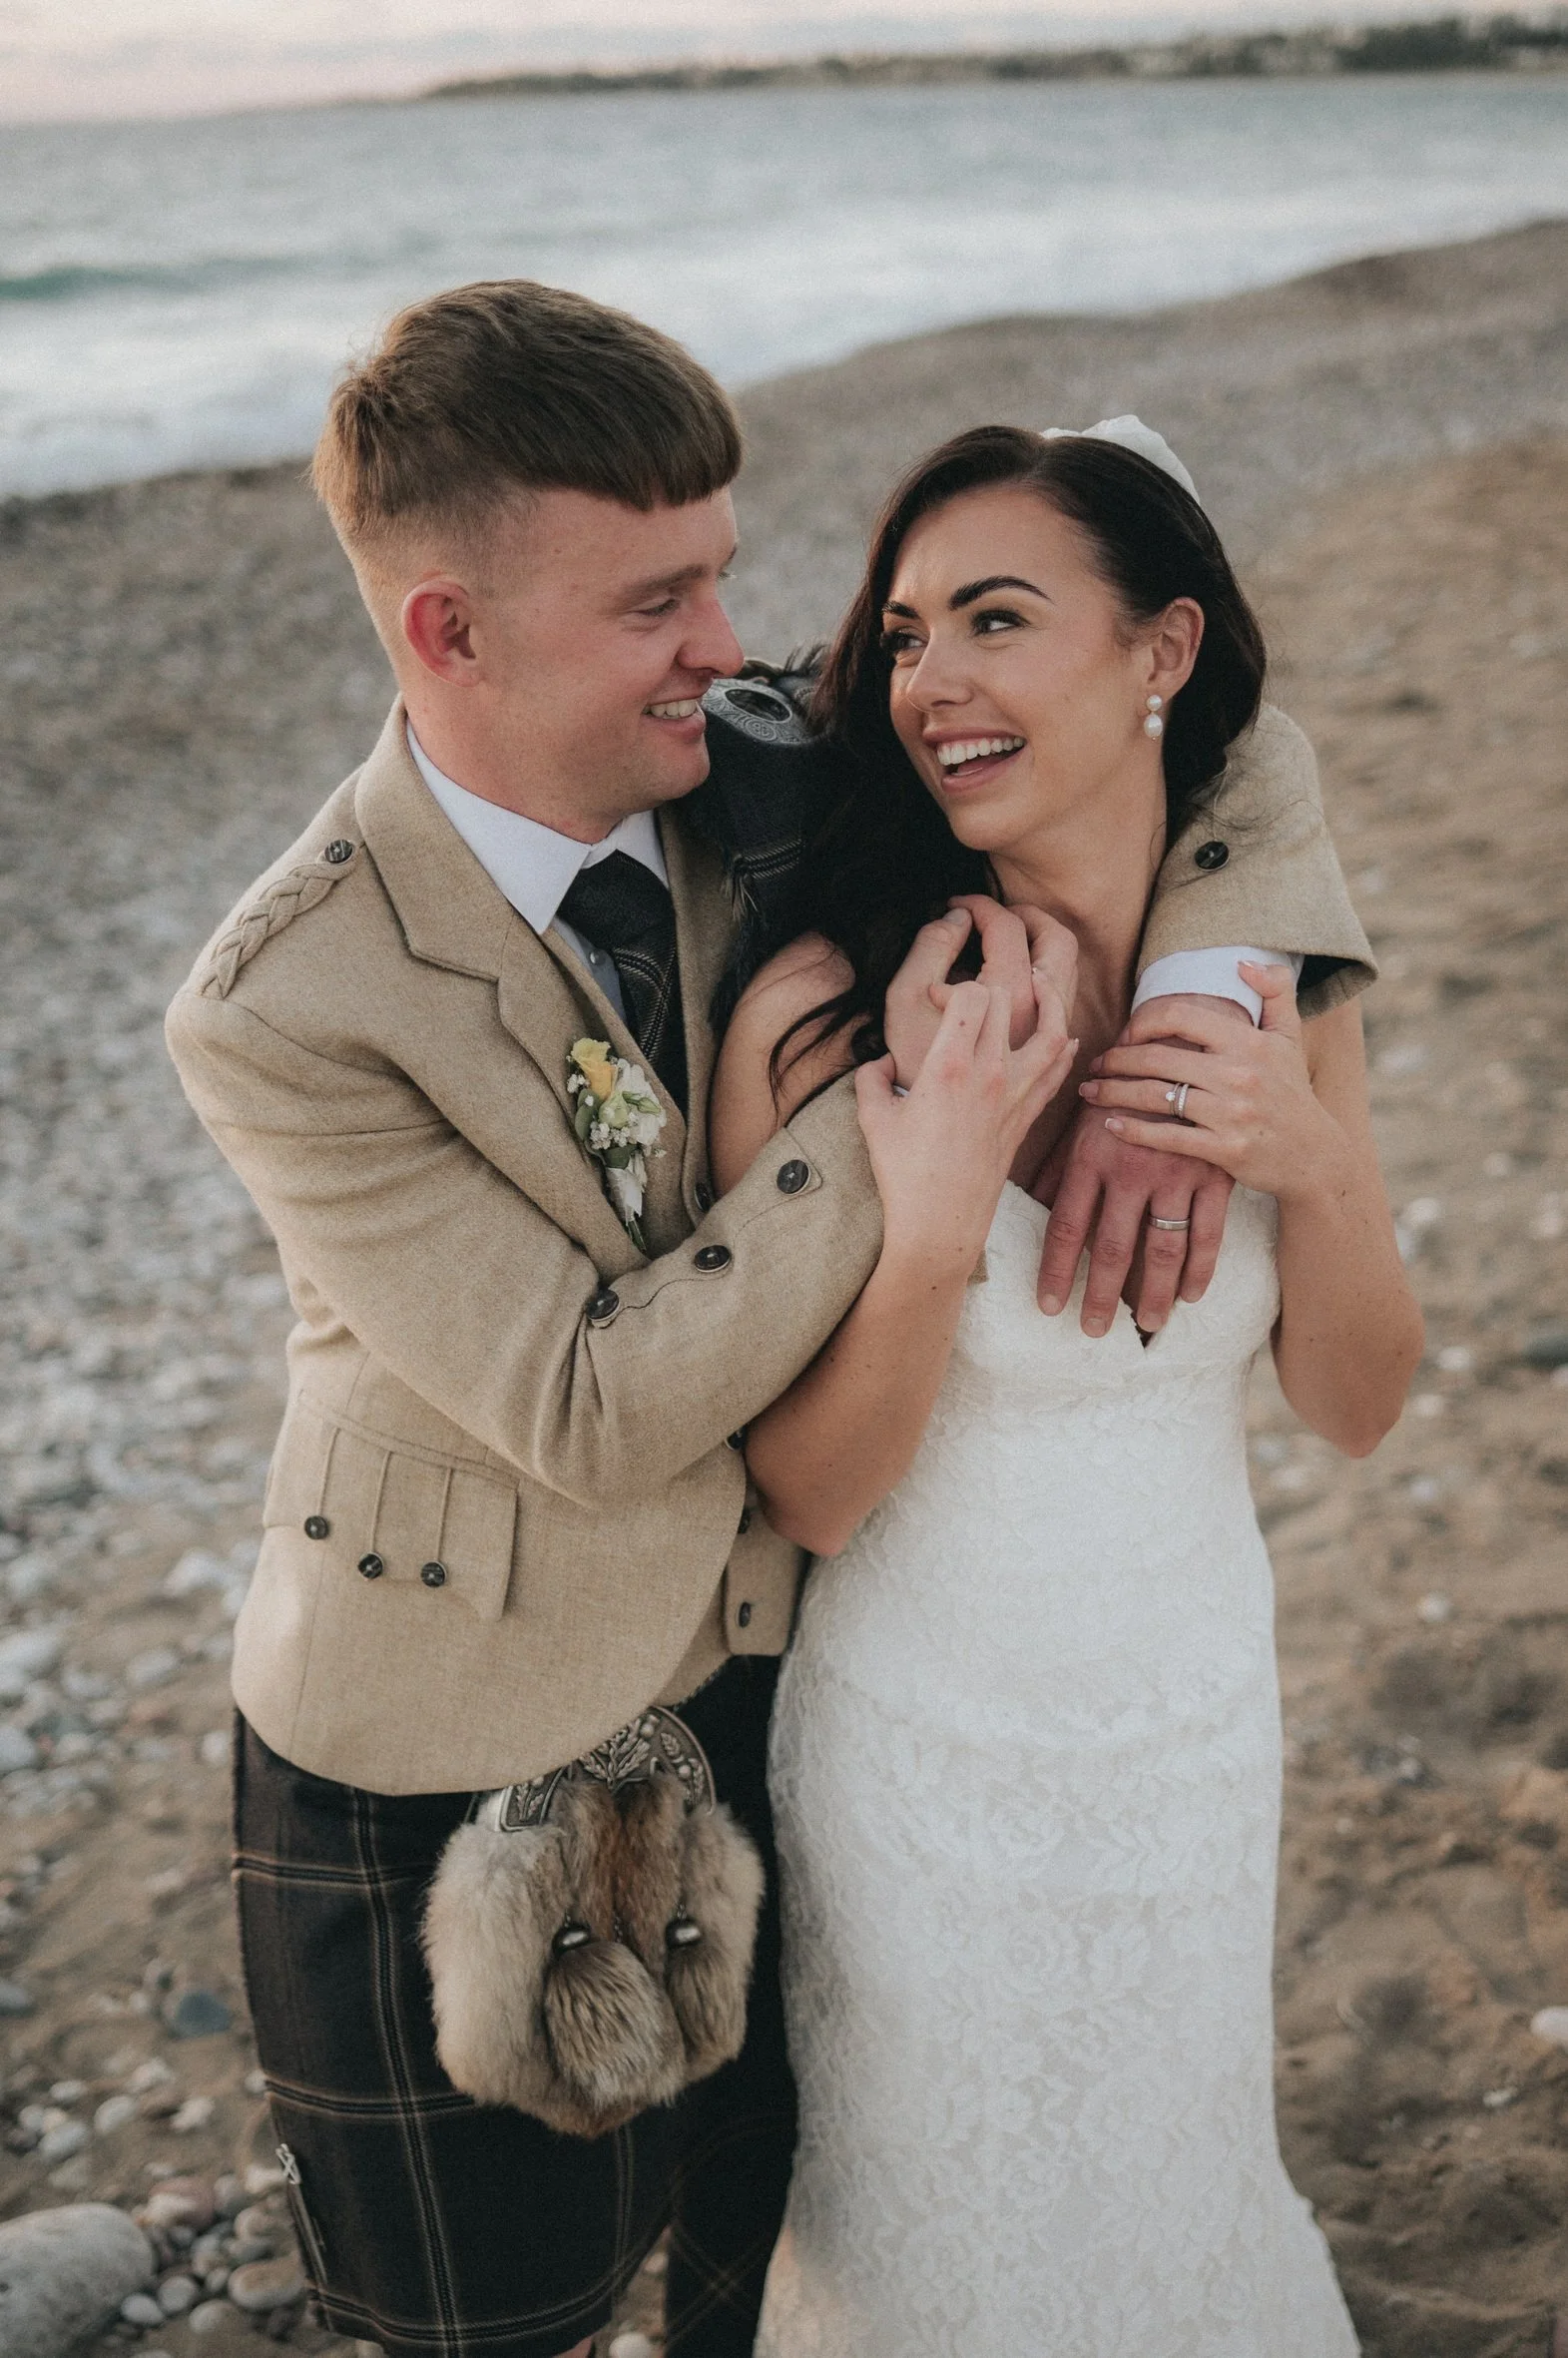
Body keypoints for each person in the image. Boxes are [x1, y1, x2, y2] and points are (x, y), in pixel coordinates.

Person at [165, 282, 1374, 2358]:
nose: (733, 643)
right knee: (496, 2321)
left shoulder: (753, 765)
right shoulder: (287, 1005)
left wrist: (1202, 990)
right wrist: (914, 1116)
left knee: (770, 2253)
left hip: (776, 1685)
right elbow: (586, 1395)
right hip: (461, 1735)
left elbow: (1214, 718)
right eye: (658, 600)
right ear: (448, 630)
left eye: (722, 573)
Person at [710, 422, 1423, 2357]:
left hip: (1190, 1724)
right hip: (915, 1763)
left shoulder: (1275, 998)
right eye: (908, 628)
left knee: (1173, 2189)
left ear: (1160, 652)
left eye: (996, 618)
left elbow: (1354, 1402)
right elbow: (806, 1496)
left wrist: (1315, 1163)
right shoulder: (816, 1011)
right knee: (950, 2251)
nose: (932, 676)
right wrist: (936, 1213)